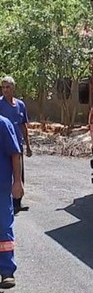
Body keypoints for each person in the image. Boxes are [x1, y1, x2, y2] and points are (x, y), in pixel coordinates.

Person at [0, 76, 31, 213]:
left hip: (17, 146)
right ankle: (7, 204)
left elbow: (23, 126)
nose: (5, 90)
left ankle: (17, 202)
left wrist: (28, 145)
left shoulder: (20, 105)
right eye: (3, 87)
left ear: (13, 88)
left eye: (8, 87)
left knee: (19, 173)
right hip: (3, 147)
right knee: (6, 173)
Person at [0, 114, 23, 289]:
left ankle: (7, 271)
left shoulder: (3, 124)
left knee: (3, 227)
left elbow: (15, 154)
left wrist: (17, 181)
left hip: (1, 187)